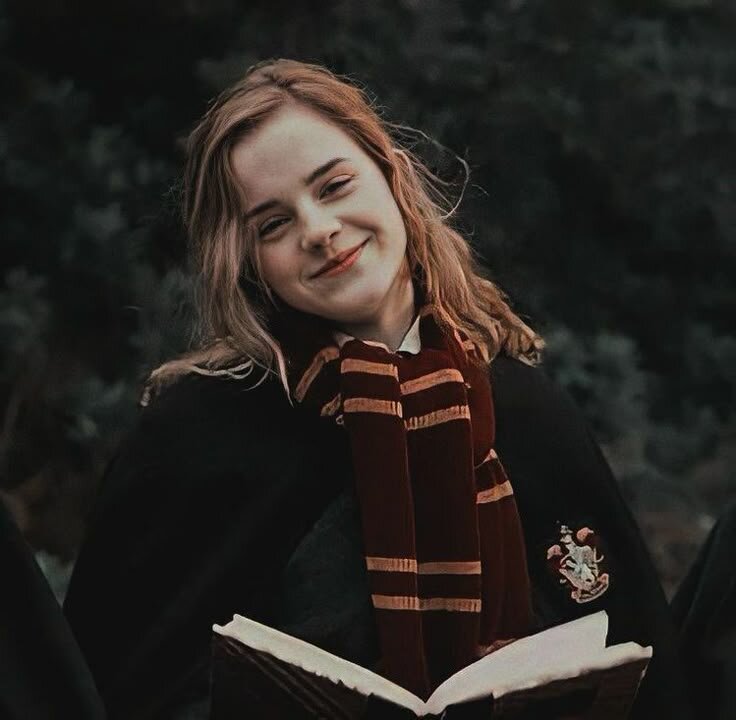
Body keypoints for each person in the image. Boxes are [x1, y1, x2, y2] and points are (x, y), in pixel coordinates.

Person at [63, 59, 693, 719]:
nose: (318, 229)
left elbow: (649, 676)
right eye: (272, 225)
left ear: (392, 175)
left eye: (334, 186)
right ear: (247, 263)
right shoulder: (197, 436)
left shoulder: (526, 413)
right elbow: (122, 684)